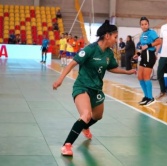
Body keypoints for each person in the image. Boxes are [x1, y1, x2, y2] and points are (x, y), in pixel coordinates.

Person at [52, 20, 136, 156]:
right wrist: (60, 79)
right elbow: (72, 63)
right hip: (82, 86)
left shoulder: (109, 53)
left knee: (97, 116)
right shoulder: (90, 49)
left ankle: (85, 126)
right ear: (107, 36)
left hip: (96, 89)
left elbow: (112, 68)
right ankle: (67, 145)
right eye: (115, 37)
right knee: (86, 115)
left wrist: (127, 72)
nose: (116, 40)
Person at [133, 17, 161, 106]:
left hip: (150, 55)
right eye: (142, 24)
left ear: (148, 24)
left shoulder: (151, 32)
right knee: (139, 76)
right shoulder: (142, 34)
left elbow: (159, 41)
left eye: (145, 24)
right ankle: (146, 96)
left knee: (146, 76)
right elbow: (142, 47)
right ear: (140, 25)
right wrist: (138, 53)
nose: (144, 26)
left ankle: (150, 98)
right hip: (144, 55)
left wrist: (149, 45)